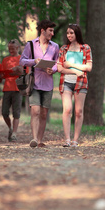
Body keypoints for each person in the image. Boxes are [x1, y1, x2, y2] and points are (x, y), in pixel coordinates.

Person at [20, 19, 59, 148]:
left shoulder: (55, 46)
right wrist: (34, 61)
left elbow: (57, 63)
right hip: (34, 83)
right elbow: (22, 61)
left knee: (43, 113)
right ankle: (34, 138)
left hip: (48, 84)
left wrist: (52, 70)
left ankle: (40, 140)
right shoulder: (31, 45)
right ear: (43, 31)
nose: (52, 33)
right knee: (35, 111)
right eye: (50, 30)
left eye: (53, 31)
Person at [57, 24, 92, 147]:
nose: (69, 35)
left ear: (77, 33)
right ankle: (67, 139)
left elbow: (88, 67)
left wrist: (70, 64)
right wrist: (75, 71)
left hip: (81, 83)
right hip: (66, 82)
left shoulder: (85, 48)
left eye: (71, 33)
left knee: (79, 111)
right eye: (67, 33)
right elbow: (60, 68)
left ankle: (75, 140)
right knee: (67, 110)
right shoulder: (63, 49)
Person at [1, 39, 24, 142]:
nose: (10, 50)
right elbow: (2, 75)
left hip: (17, 88)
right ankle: (10, 128)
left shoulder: (22, 59)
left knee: (16, 112)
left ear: (17, 48)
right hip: (7, 88)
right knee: (4, 112)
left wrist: (18, 69)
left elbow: (25, 72)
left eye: (12, 48)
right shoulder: (5, 60)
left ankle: (14, 133)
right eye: (9, 48)